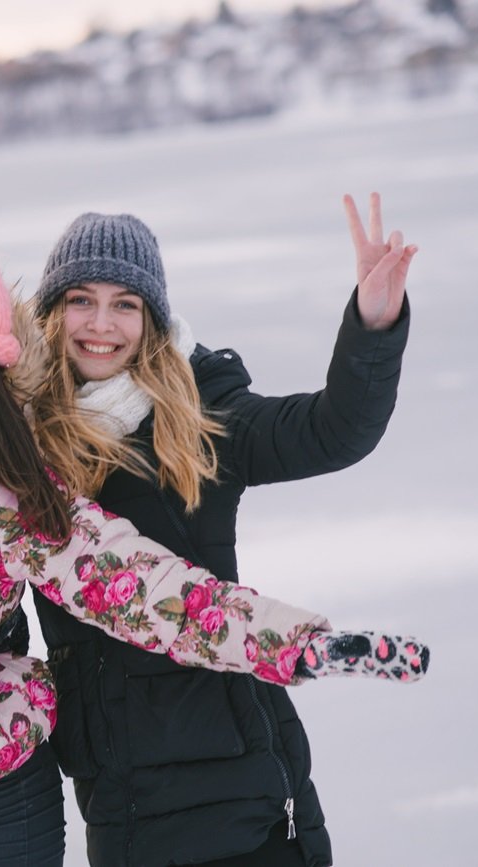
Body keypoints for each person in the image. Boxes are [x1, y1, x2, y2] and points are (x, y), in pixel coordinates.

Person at [0, 203, 428, 867]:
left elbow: (152, 585)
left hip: (207, 764)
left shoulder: (141, 438)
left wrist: (302, 643)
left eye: (125, 304)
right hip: (95, 787)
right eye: (81, 301)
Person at [28, 195, 419, 866]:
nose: (101, 324)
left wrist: (373, 325)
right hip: (122, 800)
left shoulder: (203, 416)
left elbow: (334, 430)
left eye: (125, 304)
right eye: (81, 300)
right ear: (50, 311)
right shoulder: (21, 436)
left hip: (244, 786)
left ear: (152, 318)